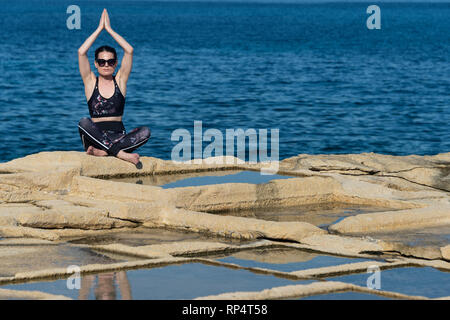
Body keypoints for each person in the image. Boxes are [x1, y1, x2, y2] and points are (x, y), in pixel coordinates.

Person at [77, 9, 150, 166]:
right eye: (102, 62)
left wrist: (110, 30)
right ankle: (120, 154)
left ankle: (105, 152)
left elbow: (129, 50)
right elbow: (81, 52)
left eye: (110, 61)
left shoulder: (120, 81)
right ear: (96, 64)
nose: (106, 65)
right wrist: (99, 29)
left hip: (119, 137)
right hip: (95, 138)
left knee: (145, 131)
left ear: (116, 63)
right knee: (83, 122)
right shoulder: (90, 82)